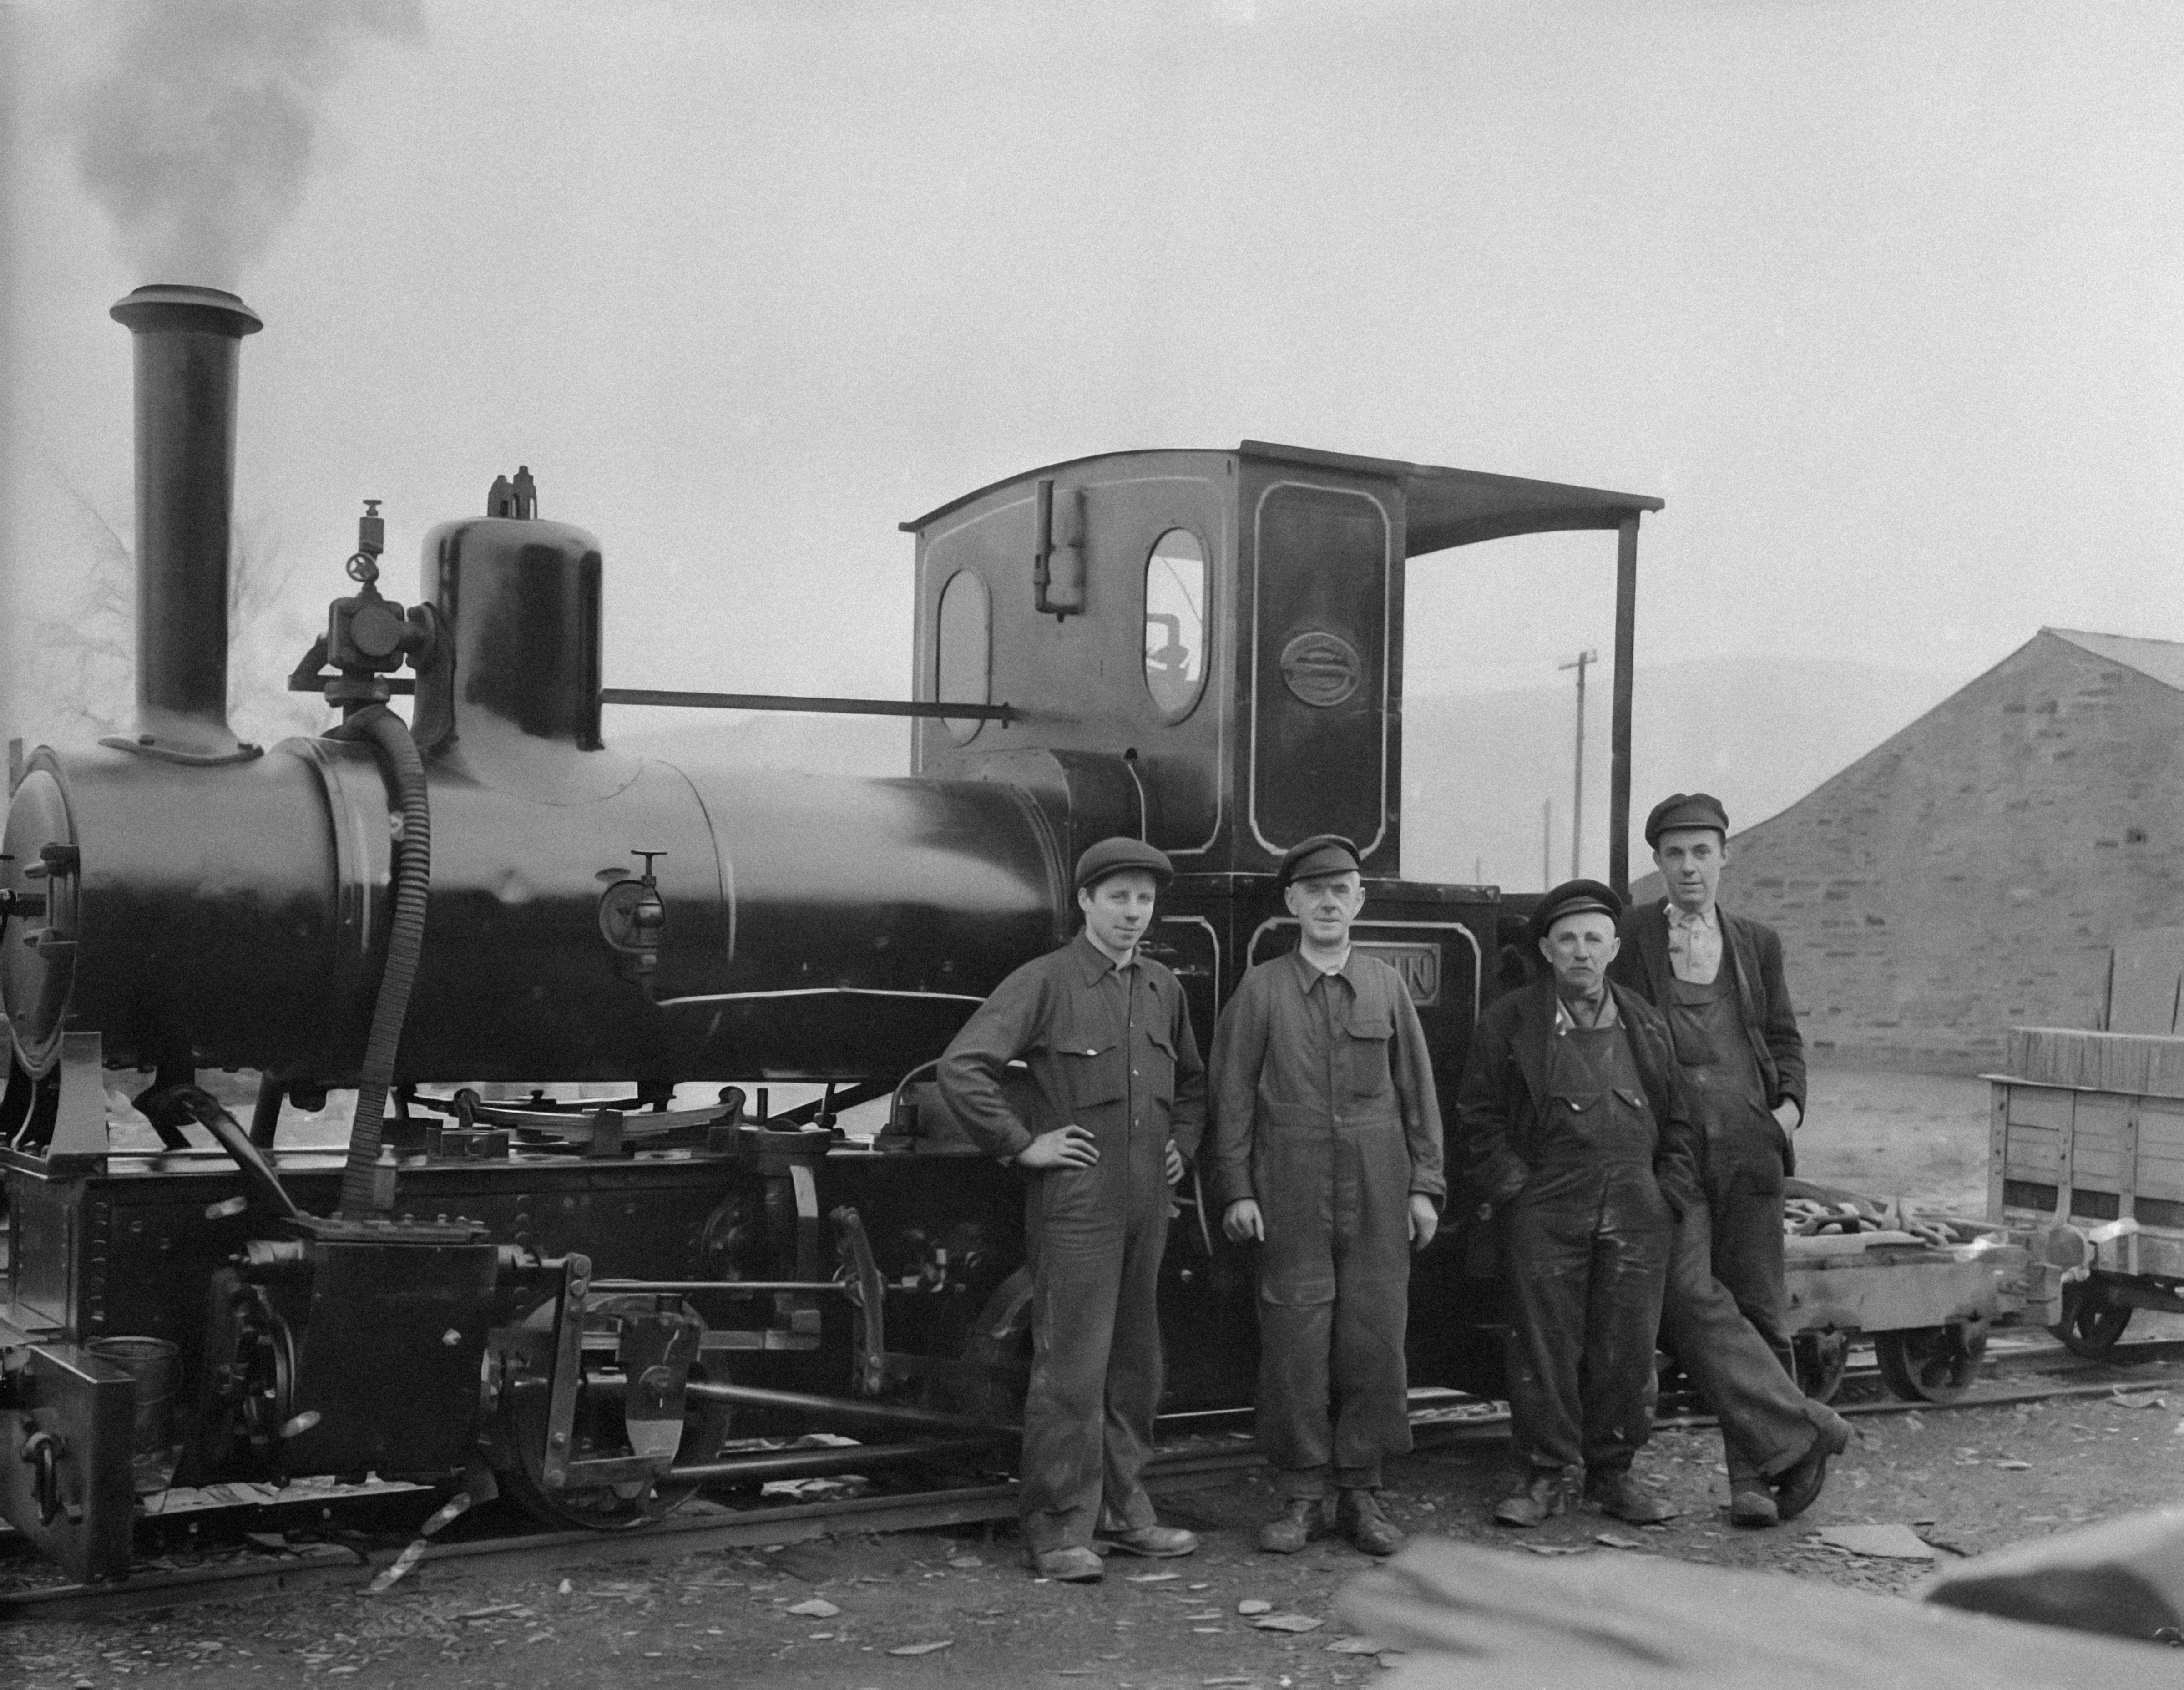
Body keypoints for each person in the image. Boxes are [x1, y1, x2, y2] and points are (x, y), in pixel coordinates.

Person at [935, 837, 1206, 1583]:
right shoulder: (1046, 980)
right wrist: (1022, 1144)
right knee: (1073, 1371)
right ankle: (1057, 1531)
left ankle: (1124, 1515)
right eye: (1117, 896)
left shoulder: (1161, 987)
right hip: (1079, 1203)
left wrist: (1181, 1144)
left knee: (1135, 1367)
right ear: (1085, 901)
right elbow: (964, 1068)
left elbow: (1191, 1086)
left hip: (1150, 1200)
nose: (1132, 912)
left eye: (1144, 899)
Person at [1610, 791, 1847, 1526]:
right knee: (1685, 1297)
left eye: (1702, 852)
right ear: (1657, 862)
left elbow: (1784, 1040)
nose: (1689, 867)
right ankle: (1802, 1430)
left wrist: (1784, 1117)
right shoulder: (1632, 934)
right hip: (1673, 1150)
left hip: (1749, 1147)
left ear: (1725, 856)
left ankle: (1753, 1479)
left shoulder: (1756, 942)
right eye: (1675, 854)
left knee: (1762, 1310)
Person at [1206, 834, 1445, 1558]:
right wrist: (1238, 1189)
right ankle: (1302, 1494)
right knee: (1295, 1338)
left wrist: (1425, 1188)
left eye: (1341, 889)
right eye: (1314, 891)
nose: (1328, 902)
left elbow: (1418, 1094)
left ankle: (1362, 1493)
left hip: (1378, 1185)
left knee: (1374, 1338)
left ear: (1360, 900)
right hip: (1291, 1186)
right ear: (1292, 904)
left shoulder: (1385, 987)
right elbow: (1232, 1097)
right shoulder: (1262, 990)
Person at [1455, 879, 1700, 1528]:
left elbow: (1680, 1122)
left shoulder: (1646, 1021)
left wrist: (1666, 1194)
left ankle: (1613, 1475)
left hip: (1635, 1202)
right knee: (1543, 1345)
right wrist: (1515, 1192)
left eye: (1594, 938)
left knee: (1626, 1345)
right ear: (1545, 948)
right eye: (1568, 939)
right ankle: (1543, 1475)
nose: (1581, 952)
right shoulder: (1509, 1022)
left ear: (1614, 947)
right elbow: (1478, 1119)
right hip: (1547, 1201)